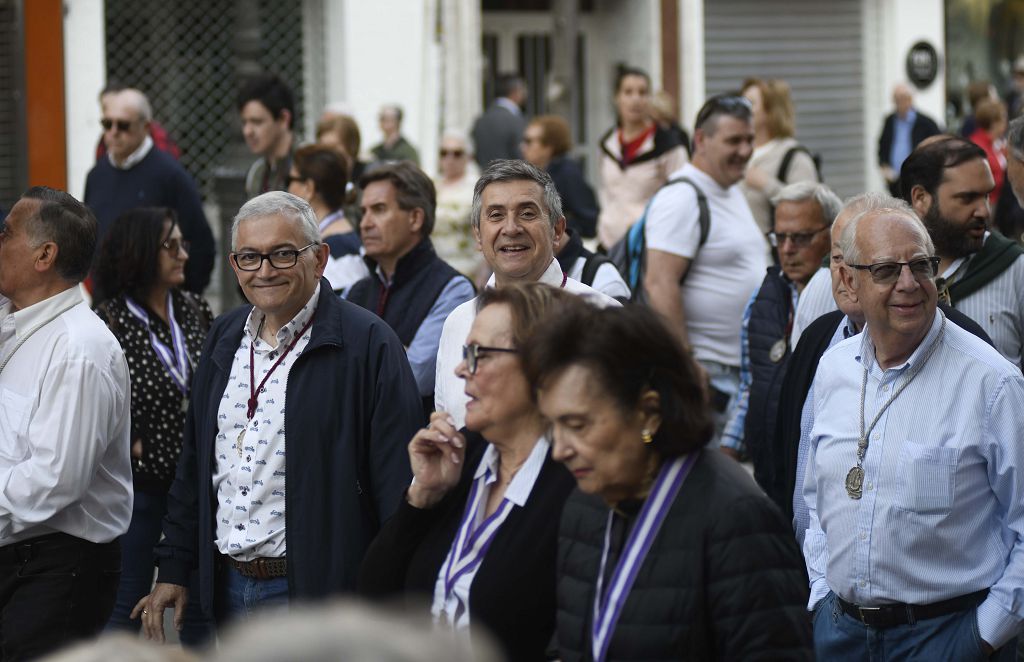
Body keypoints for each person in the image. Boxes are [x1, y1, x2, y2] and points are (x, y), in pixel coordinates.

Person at [131, 191, 422, 640]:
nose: (264, 270)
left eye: (283, 254)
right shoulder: (224, 337)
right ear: (234, 265)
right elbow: (194, 465)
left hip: (314, 599)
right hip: (221, 589)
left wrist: (387, 606)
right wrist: (174, 566)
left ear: (320, 258)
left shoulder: (369, 345)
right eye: (249, 257)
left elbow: (395, 488)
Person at [523, 302, 813, 660]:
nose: (560, 450)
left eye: (578, 425)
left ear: (648, 414)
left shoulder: (736, 519)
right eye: (552, 427)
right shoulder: (586, 504)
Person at [803, 205, 1024, 660]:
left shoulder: (992, 383)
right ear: (849, 283)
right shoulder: (834, 368)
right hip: (840, 635)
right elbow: (816, 497)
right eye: (885, 270)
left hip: (947, 637)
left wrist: (980, 636)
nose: (909, 283)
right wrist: (823, 592)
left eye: (921, 265)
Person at [360, 283, 577, 661]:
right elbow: (374, 597)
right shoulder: (462, 454)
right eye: (464, 353)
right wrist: (421, 500)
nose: (461, 370)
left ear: (540, 365)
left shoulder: (576, 485)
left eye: (479, 355)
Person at [772, 194, 991, 539]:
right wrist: (818, 580)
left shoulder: (982, 369)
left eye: (917, 266)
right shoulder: (823, 349)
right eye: (836, 257)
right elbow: (799, 472)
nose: (906, 284)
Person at [0, 187, 132, 660]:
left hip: (59, 566)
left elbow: (55, 480)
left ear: (44, 255)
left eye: (5, 234)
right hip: (21, 554)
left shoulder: (79, 348)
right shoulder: (14, 323)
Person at [92, 208, 215, 646]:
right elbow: (96, 397)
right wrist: (129, 442)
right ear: (141, 251)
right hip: (141, 487)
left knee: (197, 602)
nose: (183, 253)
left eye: (183, 243)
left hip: (196, 486)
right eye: (171, 245)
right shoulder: (110, 318)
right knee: (128, 599)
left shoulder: (195, 308)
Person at [433, 160, 619, 430]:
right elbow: (448, 427)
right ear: (478, 235)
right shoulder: (457, 323)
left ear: (557, 230)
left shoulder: (602, 319)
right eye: (496, 215)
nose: (511, 228)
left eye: (527, 213)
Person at [644, 94, 768, 443]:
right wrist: (685, 362)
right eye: (733, 141)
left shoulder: (728, 189)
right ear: (701, 140)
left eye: (749, 140)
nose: (744, 151)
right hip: (707, 378)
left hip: (736, 376)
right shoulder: (682, 197)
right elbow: (659, 283)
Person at [721, 182, 840, 486]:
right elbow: (751, 386)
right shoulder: (763, 299)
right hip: (769, 469)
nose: (787, 249)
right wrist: (728, 452)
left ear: (832, 234)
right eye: (779, 237)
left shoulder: (847, 299)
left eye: (801, 237)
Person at [346, 162, 475, 414]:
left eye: (379, 209)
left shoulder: (453, 290)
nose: (365, 223)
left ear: (415, 218)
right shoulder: (357, 292)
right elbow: (333, 375)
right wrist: (395, 354)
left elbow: (413, 379)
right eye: (364, 212)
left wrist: (358, 362)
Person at [900, 136, 1024, 367]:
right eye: (967, 198)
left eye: (986, 196)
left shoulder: (1015, 268)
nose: (984, 212)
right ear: (920, 198)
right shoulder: (877, 270)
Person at [84, 88, 215, 295]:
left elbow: (200, 245)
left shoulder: (170, 176)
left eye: (123, 125)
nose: (114, 132)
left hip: (157, 308)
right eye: (107, 124)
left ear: (145, 127)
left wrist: (179, 302)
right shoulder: (96, 175)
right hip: (107, 309)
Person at [596, 67, 688, 248]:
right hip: (609, 244)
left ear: (650, 99)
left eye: (642, 92)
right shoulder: (607, 144)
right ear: (617, 98)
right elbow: (605, 192)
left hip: (650, 246)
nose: (635, 99)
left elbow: (683, 198)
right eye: (628, 92)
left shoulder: (669, 146)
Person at [740, 78, 821, 238]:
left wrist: (767, 185)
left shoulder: (794, 157)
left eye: (751, 103)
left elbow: (810, 210)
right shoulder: (737, 153)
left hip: (773, 256)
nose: (742, 110)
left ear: (771, 110)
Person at [286, 144, 368, 293]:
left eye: (290, 180)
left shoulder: (340, 253)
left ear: (309, 188)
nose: (287, 189)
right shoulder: (332, 242)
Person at [522, 115, 600, 239]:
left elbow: (588, 221)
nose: (523, 147)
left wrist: (552, 227)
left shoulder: (567, 173)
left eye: (529, 141)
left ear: (548, 147)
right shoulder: (536, 173)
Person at [877, 83, 941, 196]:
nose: (899, 103)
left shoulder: (926, 123)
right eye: (896, 99)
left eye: (902, 98)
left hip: (919, 181)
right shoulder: (890, 121)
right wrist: (884, 166)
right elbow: (882, 146)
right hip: (895, 182)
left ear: (910, 99)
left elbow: (938, 148)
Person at [238, 74, 296, 199]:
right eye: (244, 122)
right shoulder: (256, 173)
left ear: (284, 119)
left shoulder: (309, 167)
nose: (247, 131)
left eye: (257, 122)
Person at [432, 129, 481, 278]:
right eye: (444, 153)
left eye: (457, 153)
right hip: (434, 267)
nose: (450, 158)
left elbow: (484, 234)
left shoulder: (477, 187)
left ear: (469, 157)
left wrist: (482, 272)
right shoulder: (432, 184)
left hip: (466, 269)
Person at [94, 82, 181, 162]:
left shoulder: (157, 136)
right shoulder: (106, 139)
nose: (114, 132)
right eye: (104, 108)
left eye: (124, 125)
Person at [472, 73, 528, 168]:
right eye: (523, 90)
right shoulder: (516, 120)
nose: (525, 94)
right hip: (513, 178)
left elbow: (476, 154)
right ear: (515, 92)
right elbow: (521, 155)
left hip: (486, 178)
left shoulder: (481, 120)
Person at [967, 98, 1009, 206]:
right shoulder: (977, 145)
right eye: (1003, 118)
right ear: (994, 123)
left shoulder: (997, 143)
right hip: (984, 204)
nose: (1006, 122)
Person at [316, 113, 367, 183]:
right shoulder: (317, 179)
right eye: (323, 147)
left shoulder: (369, 177)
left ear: (351, 145)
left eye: (333, 147)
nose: (327, 153)